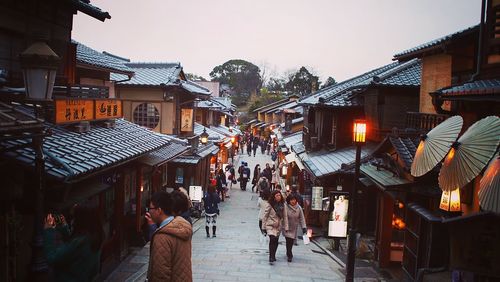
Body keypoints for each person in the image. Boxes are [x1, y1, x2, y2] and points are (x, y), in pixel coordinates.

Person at [43, 205, 103, 282]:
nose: (72, 221)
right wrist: (64, 227)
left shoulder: (80, 242)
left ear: (81, 221)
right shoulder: (95, 237)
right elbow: (73, 249)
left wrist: (48, 230)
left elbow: (51, 258)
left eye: (74, 217)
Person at [145, 191, 192, 281]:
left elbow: (160, 274)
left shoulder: (162, 237)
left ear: (159, 210)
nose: (149, 211)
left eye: (150, 208)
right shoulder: (182, 226)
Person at [262, 190, 289, 265]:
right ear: (274, 196)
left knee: (276, 241)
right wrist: (263, 227)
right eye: (277, 195)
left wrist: (286, 227)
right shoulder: (270, 204)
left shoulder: (283, 205)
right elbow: (265, 216)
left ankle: (273, 255)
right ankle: (271, 256)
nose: (278, 197)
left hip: (278, 226)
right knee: (272, 238)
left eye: (279, 195)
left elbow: (285, 216)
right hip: (270, 225)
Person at [284, 194, 307, 262]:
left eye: (294, 200)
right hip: (286, 226)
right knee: (288, 240)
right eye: (291, 200)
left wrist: (304, 227)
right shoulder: (286, 207)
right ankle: (289, 254)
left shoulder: (299, 208)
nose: (293, 201)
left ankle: (288, 251)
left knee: (291, 241)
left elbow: (302, 218)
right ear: (289, 200)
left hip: (294, 227)